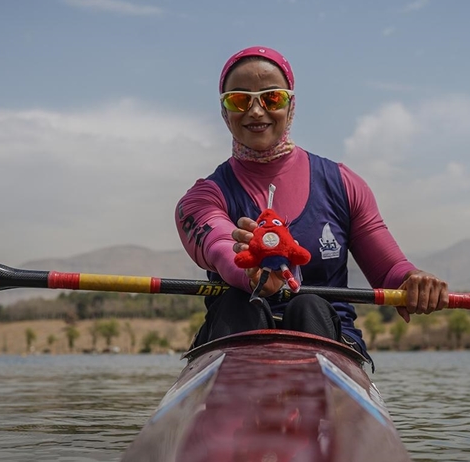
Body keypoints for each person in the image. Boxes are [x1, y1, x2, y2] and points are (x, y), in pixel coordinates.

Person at [175, 46, 448, 363]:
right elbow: (220, 245)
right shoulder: (202, 198)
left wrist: (414, 281)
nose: (256, 111)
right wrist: (251, 270)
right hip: (235, 330)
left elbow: (390, 272)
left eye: (271, 98)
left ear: (291, 107)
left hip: (326, 334)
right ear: (225, 112)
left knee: (308, 305)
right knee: (243, 304)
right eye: (239, 100)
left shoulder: (344, 185)